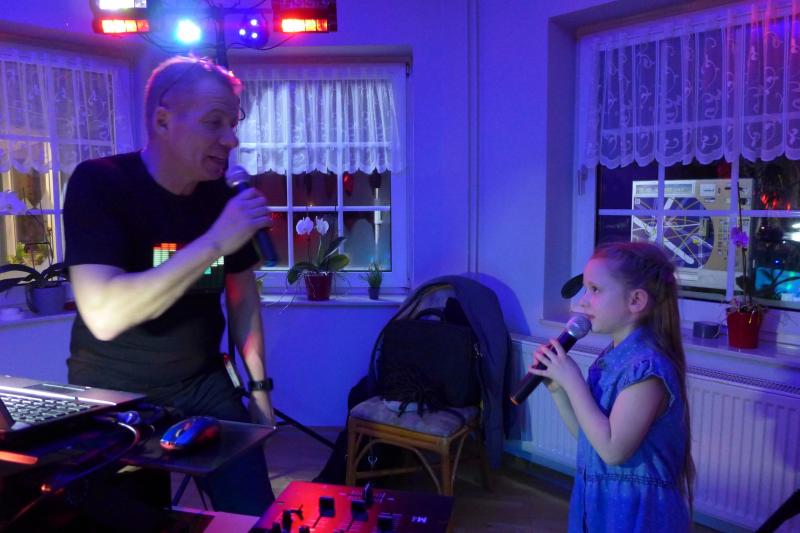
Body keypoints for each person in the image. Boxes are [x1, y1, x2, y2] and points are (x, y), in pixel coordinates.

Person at [63, 55, 275, 516]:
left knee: (254, 512)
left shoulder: (222, 197)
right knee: (131, 516)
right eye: (214, 122)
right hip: (112, 390)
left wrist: (259, 389)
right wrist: (216, 240)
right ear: (163, 120)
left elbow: (243, 299)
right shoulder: (100, 183)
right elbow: (104, 315)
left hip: (202, 384)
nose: (231, 139)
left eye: (233, 123)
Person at [530, 241, 694, 532]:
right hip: (602, 503)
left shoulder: (647, 369)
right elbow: (590, 436)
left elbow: (612, 450)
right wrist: (558, 390)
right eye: (584, 290)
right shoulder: (612, 358)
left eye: (594, 290)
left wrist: (573, 380)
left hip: (637, 514)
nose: (581, 303)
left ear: (636, 301)